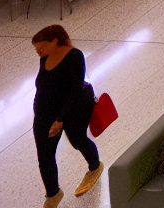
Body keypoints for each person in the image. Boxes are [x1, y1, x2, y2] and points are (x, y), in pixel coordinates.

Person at [32, 25, 101, 207]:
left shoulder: (74, 56)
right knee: (44, 155)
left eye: (41, 47)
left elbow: (75, 91)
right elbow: (43, 85)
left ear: (55, 41)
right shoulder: (44, 57)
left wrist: (60, 119)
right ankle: (53, 193)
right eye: (37, 49)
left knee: (77, 140)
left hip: (73, 107)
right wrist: (38, 112)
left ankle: (95, 166)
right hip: (45, 112)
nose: (39, 52)